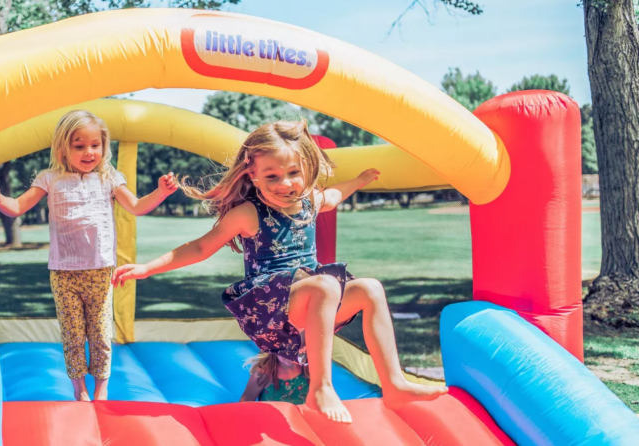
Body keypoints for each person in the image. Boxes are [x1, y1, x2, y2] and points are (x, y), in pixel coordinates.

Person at [111, 119, 446, 423]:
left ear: (306, 170)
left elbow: (333, 195)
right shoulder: (247, 212)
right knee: (327, 285)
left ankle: (394, 384)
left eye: (293, 174)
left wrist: (359, 180)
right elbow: (199, 247)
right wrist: (146, 268)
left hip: (306, 303)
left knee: (370, 288)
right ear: (252, 175)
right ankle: (320, 387)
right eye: (272, 176)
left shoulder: (309, 200)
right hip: (269, 310)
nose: (285, 184)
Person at [0, 110, 178, 401]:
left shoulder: (110, 178)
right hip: (64, 272)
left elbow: (136, 206)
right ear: (63, 148)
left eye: (95, 145)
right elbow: (18, 206)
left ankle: (101, 390)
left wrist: (160, 192)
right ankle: (79, 390)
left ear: (103, 146)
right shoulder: (50, 179)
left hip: (99, 269)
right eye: (79, 145)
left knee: (99, 333)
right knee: (74, 334)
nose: (89, 152)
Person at [240, 352, 309, 404]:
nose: (290, 354)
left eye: (295, 348)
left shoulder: (311, 370)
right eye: (284, 348)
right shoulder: (263, 373)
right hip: (270, 422)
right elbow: (245, 402)